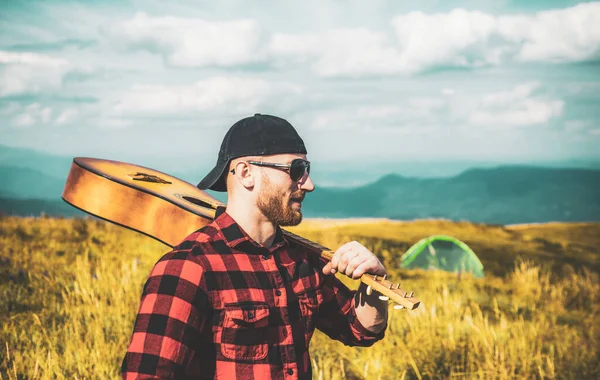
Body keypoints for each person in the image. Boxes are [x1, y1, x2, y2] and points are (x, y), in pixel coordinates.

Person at [121, 114, 388, 379]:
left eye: (307, 170)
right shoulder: (189, 267)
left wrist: (374, 284)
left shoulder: (302, 260)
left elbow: (360, 329)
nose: (308, 184)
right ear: (247, 173)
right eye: (296, 169)